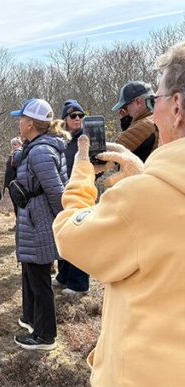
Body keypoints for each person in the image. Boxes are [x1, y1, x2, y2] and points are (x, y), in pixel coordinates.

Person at [54, 42, 185, 385]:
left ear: (177, 106)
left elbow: (70, 234)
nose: (153, 114)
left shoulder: (142, 200)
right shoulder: (149, 194)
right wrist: (145, 179)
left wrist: (82, 173)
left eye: (156, 100)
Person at [9, 98, 69, 351]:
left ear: (31, 123)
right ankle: (32, 319)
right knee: (31, 273)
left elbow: (56, 192)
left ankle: (45, 336)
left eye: (21, 118)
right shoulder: (35, 147)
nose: (18, 122)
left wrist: (63, 224)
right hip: (34, 219)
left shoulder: (41, 151)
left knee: (40, 277)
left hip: (41, 222)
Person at [55, 100, 90, 296]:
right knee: (63, 234)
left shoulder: (86, 138)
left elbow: (98, 163)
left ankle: (79, 283)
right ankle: (63, 275)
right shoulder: (62, 139)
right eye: (73, 115)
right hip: (63, 192)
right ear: (65, 119)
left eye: (80, 115)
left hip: (82, 193)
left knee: (78, 237)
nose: (77, 119)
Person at [111, 81, 159, 161]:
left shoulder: (144, 125)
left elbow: (111, 153)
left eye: (125, 107)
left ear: (138, 102)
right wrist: (127, 124)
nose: (125, 112)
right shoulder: (158, 118)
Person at [4, 137, 23, 225]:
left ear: (19, 144)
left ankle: (19, 223)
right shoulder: (13, 154)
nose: (13, 146)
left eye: (15, 144)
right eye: (12, 145)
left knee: (18, 205)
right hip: (11, 183)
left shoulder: (19, 154)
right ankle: (18, 223)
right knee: (15, 205)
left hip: (16, 183)